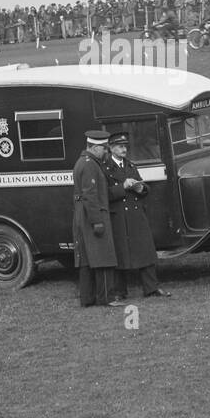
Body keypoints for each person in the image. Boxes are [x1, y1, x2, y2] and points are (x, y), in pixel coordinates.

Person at [102, 133, 169, 299]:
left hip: (135, 215)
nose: (124, 149)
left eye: (125, 146)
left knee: (145, 251)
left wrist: (141, 189)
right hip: (117, 217)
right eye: (120, 146)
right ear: (111, 148)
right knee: (120, 254)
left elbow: (143, 187)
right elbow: (103, 194)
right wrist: (122, 187)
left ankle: (151, 288)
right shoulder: (105, 167)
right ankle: (119, 292)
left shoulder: (130, 165)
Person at [72, 130, 123, 308]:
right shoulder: (90, 165)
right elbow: (90, 196)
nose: (106, 152)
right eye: (103, 149)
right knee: (104, 257)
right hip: (93, 215)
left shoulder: (83, 162)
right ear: (94, 147)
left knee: (86, 260)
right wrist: (97, 221)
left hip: (83, 215)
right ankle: (106, 297)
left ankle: (87, 298)